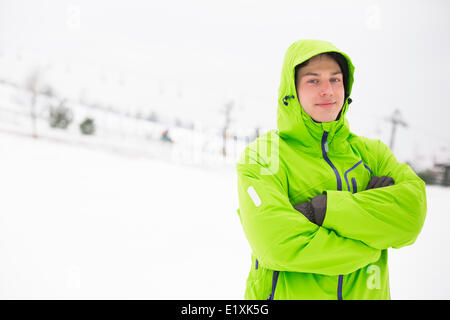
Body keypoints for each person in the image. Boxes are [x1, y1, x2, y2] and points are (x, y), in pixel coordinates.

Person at [235, 39, 427, 300]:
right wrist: (370, 242)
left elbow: (411, 215)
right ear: (291, 91)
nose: (328, 90)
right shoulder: (264, 156)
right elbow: (275, 244)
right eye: (313, 81)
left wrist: (322, 210)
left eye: (335, 80)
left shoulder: (373, 154)